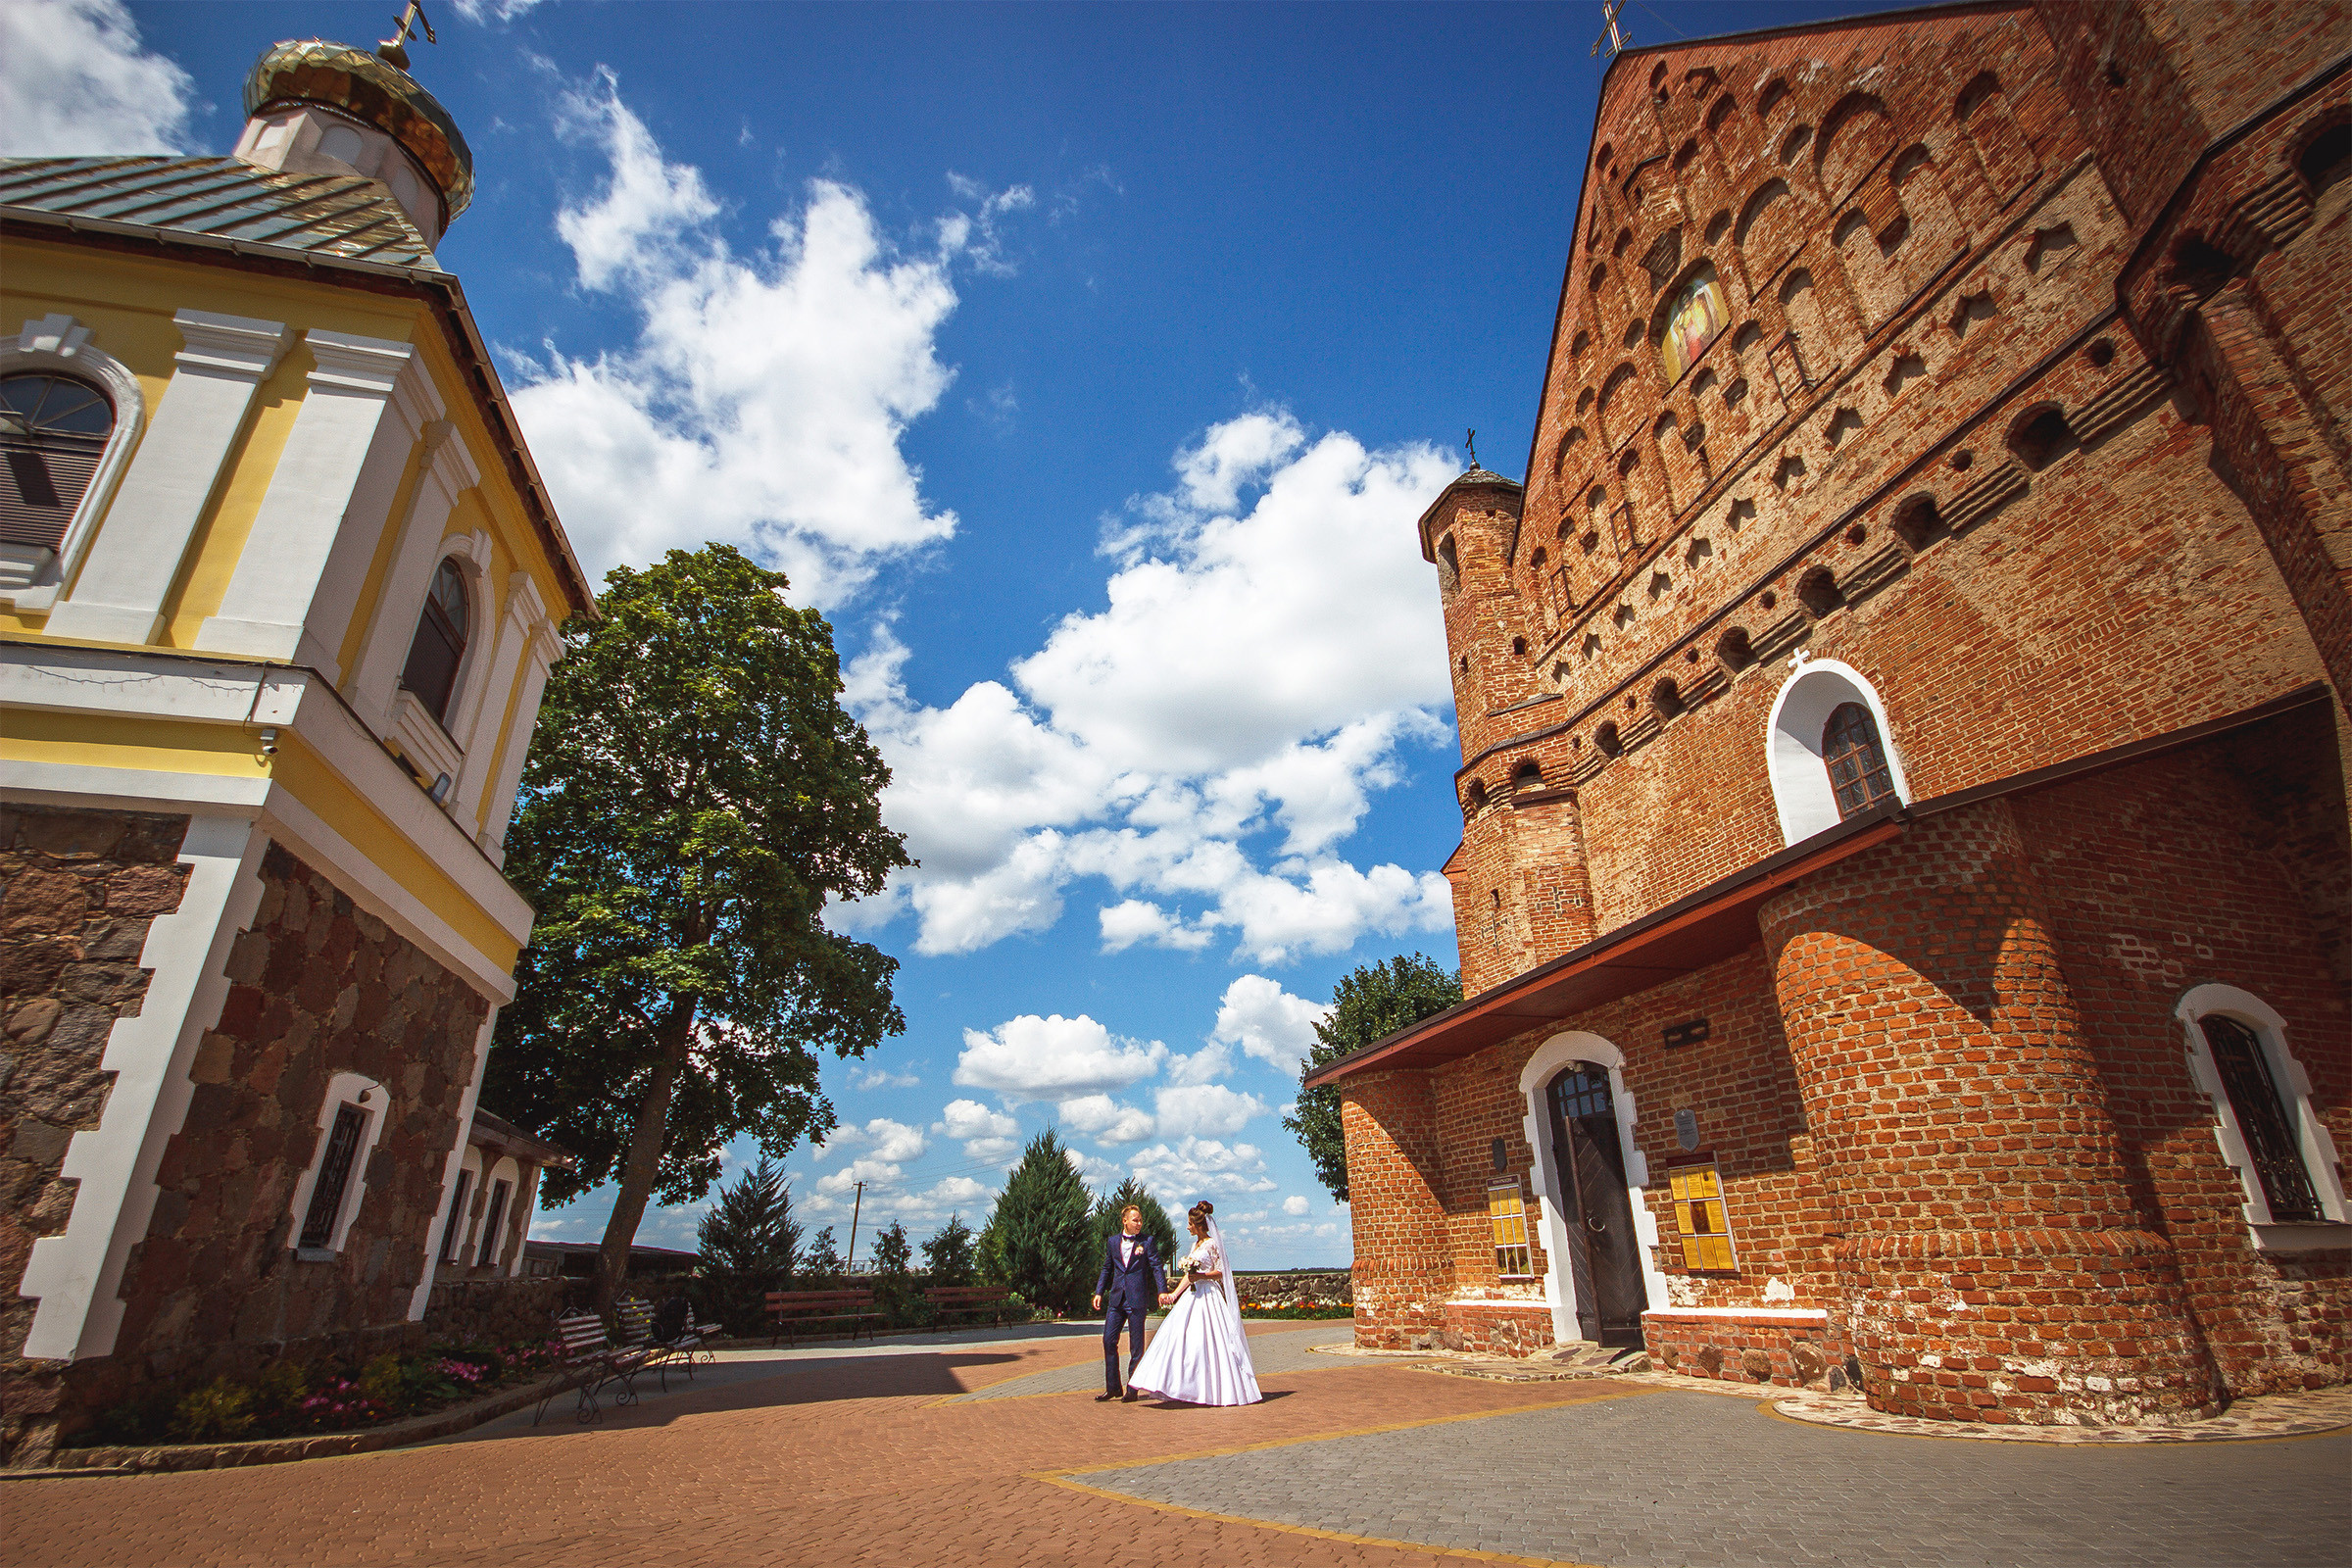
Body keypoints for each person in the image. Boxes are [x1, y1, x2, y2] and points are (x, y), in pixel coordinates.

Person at [1124, 1200, 1262, 1406]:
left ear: (1198, 1225)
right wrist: (1174, 1294)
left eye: (1189, 1224)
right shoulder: (1194, 1245)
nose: (1187, 1227)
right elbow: (1189, 1277)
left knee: (1208, 1343)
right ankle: (1183, 1386)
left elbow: (1221, 1272)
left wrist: (1202, 1275)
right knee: (1179, 1338)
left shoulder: (1211, 1244)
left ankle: (1215, 1390)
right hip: (1192, 1295)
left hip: (1209, 1296)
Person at [1092, 1202, 1167, 1402]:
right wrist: (1099, 1292)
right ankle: (1113, 1387)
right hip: (1117, 1298)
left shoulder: (1147, 1241)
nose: (1139, 1223)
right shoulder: (1112, 1241)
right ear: (1125, 1221)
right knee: (1108, 1340)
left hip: (1137, 1298)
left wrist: (1162, 1290)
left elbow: (1156, 1267)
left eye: (1141, 1220)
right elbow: (1107, 1268)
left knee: (1136, 1346)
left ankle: (1132, 1388)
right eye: (1135, 1220)